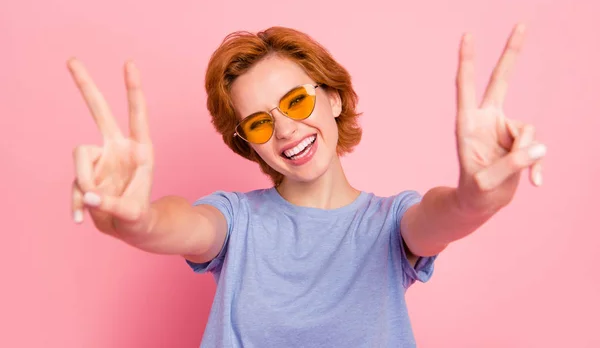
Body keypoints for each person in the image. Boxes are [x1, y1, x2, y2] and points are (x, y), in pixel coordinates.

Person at [68, 24, 546, 347]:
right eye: (258, 123)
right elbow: (178, 225)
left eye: (296, 101)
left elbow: (446, 215)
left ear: (333, 98)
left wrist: (477, 199)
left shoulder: (391, 222)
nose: (285, 130)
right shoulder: (237, 220)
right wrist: (133, 219)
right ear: (249, 144)